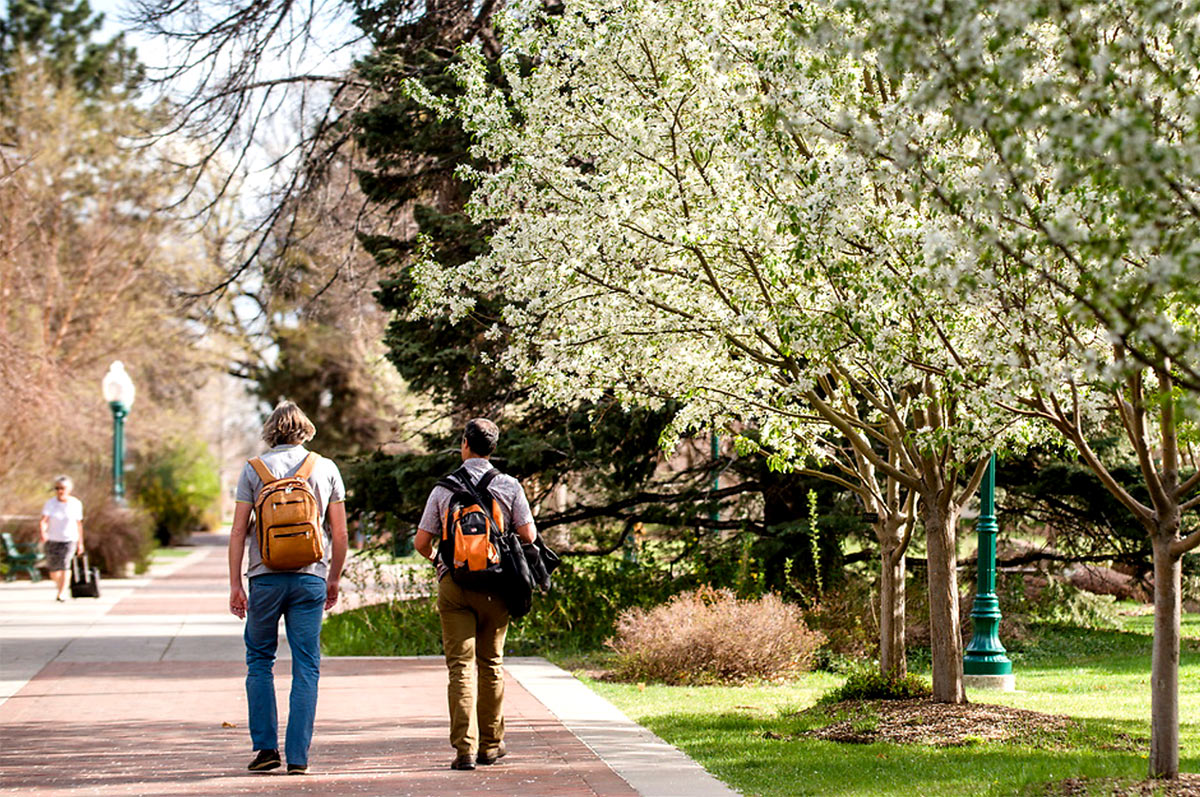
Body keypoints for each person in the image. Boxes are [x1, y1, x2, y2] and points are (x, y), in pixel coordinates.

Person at [228, 401, 348, 776]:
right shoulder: (325, 468)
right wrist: (333, 578)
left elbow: (237, 531)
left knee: (259, 661)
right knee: (306, 665)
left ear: (271, 431)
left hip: (263, 578)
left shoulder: (253, 470)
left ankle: (265, 750)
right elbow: (340, 533)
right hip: (310, 576)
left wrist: (235, 583)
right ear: (306, 430)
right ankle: (298, 756)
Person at [415, 418, 538, 771]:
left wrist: (442, 562)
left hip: (455, 587)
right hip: (497, 587)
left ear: (465, 444)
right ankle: (491, 746)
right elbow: (528, 534)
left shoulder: (444, 489)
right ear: (493, 448)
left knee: (460, 669)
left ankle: (464, 750)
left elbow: (422, 542)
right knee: (492, 665)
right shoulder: (509, 485)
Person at [40, 475, 84, 602]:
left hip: (70, 539)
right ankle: (60, 586)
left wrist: (81, 543)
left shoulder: (75, 503)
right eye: (57, 488)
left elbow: (79, 524)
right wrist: (43, 532)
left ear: (69, 489)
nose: (60, 491)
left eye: (63, 488)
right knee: (53, 569)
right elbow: (44, 520)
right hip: (52, 539)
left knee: (65, 564)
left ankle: (62, 592)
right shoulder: (50, 503)